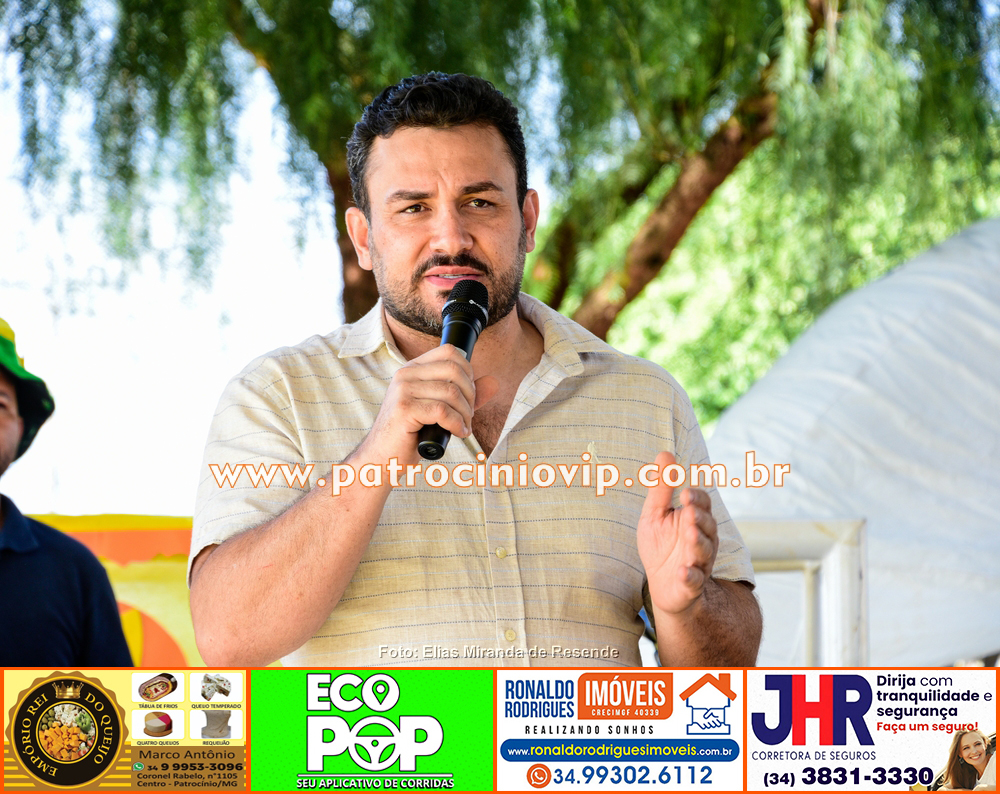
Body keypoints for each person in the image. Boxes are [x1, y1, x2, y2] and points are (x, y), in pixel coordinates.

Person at [188, 72, 761, 668]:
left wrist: (685, 606)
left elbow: (728, 671)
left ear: (528, 220)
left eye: (479, 203)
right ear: (363, 238)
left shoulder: (644, 397)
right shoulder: (277, 393)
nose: (451, 238)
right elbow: (228, 639)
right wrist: (377, 455)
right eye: (414, 208)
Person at [0, 318, 133, 666]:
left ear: (21, 428)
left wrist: (264, 696)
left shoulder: (72, 570)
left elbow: (118, 700)